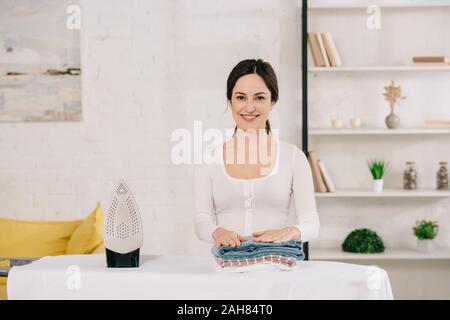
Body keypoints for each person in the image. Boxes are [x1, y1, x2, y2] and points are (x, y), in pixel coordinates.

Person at [194, 58, 319, 248]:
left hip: (275, 268)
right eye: (241, 97)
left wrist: (291, 231)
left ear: (273, 102)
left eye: (259, 97)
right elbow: (201, 220)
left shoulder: (293, 158)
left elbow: (312, 223)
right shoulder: (210, 158)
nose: (249, 107)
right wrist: (218, 232)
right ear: (230, 100)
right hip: (226, 268)